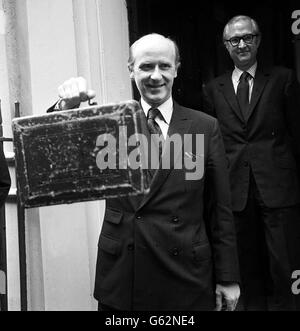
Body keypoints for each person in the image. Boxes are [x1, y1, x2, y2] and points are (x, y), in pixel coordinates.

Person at [49, 33, 240, 311]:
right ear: (131, 70)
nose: (155, 76)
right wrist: (66, 111)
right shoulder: (108, 124)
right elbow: (59, 166)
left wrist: (228, 277)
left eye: (164, 66)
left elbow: (220, 209)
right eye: (146, 67)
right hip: (125, 277)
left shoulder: (204, 127)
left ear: (176, 68)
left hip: (186, 275)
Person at [202, 15, 300, 310]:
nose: (242, 44)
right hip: (235, 190)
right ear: (226, 45)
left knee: (286, 266)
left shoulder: (283, 78)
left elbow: (297, 133)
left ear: (258, 40)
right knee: (244, 269)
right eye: (235, 40)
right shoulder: (213, 89)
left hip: (278, 187)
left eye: (248, 38)